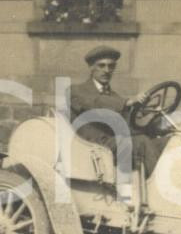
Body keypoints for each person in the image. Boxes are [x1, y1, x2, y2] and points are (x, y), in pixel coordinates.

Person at [67, 45, 170, 180]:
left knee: (168, 142)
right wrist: (127, 103)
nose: (107, 70)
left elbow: (130, 125)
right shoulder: (76, 91)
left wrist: (154, 123)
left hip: (116, 143)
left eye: (111, 66)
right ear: (92, 68)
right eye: (101, 66)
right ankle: (160, 187)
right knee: (142, 143)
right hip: (93, 146)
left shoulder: (116, 97)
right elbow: (95, 104)